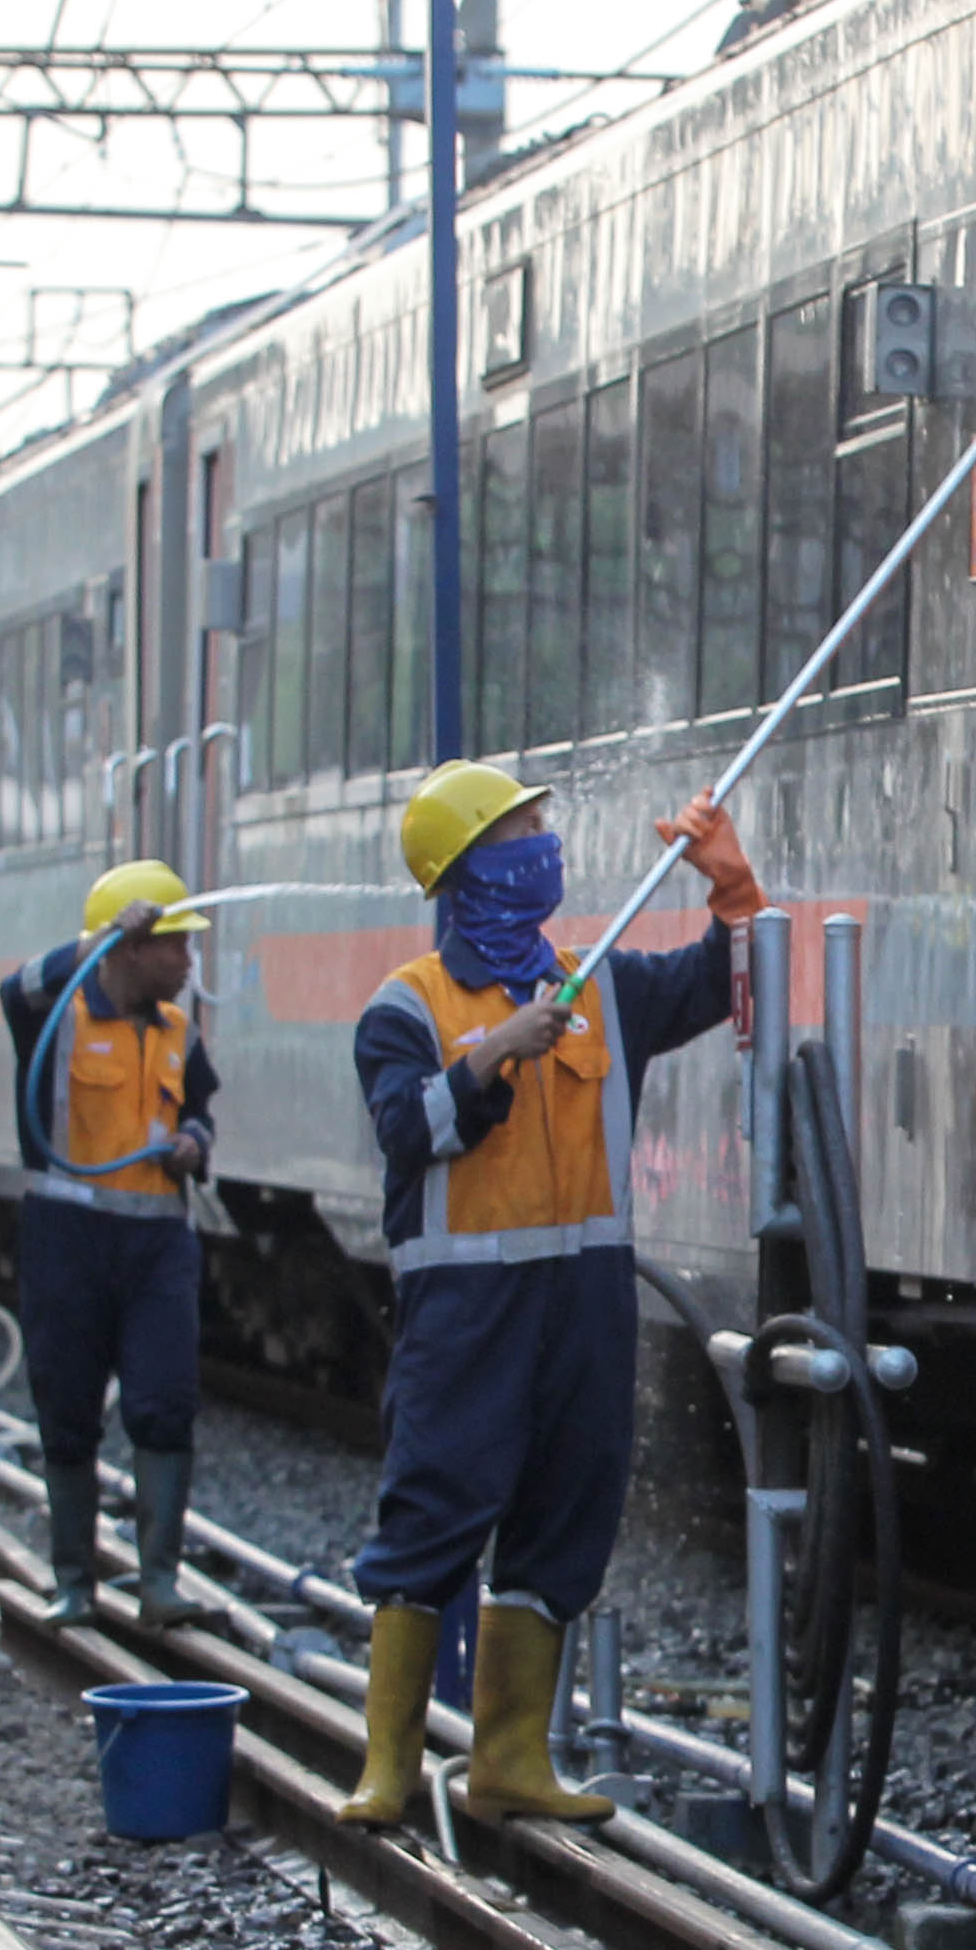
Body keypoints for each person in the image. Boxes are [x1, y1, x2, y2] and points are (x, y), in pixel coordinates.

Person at [339, 761, 762, 1830]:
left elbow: (724, 984)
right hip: (464, 1311)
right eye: (521, 831)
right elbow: (406, 1133)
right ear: (467, 870)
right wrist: (489, 1059)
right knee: (433, 1509)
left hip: (583, 1301)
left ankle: (511, 1759)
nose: (544, 848)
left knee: (569, 1507)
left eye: (540, 828)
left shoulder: (601, 987)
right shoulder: (406, 1008)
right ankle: (386, 1764)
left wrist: (733, 891)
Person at [0, 863, 218, 1627]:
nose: (188, 964)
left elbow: (201, 1112)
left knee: (164, 1402)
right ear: (129, 948)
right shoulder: (55, 1016)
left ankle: (157, 1581)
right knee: (67, 1405)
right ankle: (74, 1581)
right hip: (68, 1239)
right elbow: (14, 987)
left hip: (158, 1242)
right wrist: (85, 946)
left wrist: (194, 1141)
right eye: (176, 948)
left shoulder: (179, 1032)